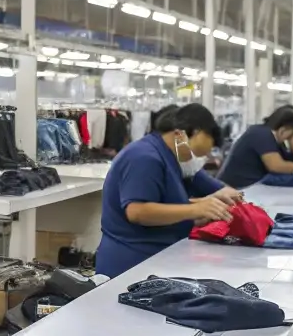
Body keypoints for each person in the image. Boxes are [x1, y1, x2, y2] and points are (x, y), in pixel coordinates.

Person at [96, 104, 244, 277]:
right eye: (197, 153)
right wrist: (195, 210)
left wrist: (202, 210)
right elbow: (137, 212)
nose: (199, 159)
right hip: (131, 265)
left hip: (157, 258)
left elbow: (166, 203)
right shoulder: (144, 157)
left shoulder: (171, 158)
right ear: (187, 134)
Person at [218, 105, 293, 189]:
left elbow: (291, 161)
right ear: (283, 130)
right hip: (235, 190)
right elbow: (277, 166)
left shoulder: (275, 140)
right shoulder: (260, 133)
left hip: (251, 188)